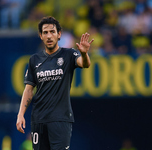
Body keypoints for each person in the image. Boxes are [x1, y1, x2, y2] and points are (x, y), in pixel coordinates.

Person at [16, 16, 94, 150]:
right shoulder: (34, 60)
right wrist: (20, 114)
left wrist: (84, 54)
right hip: (38, 120)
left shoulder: (68, 54)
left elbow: (85, 64)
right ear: (41, 36)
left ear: (59, 34)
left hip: (60, 119)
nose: (49, 36)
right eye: (45, 32)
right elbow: (29, 89)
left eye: (52, 32)